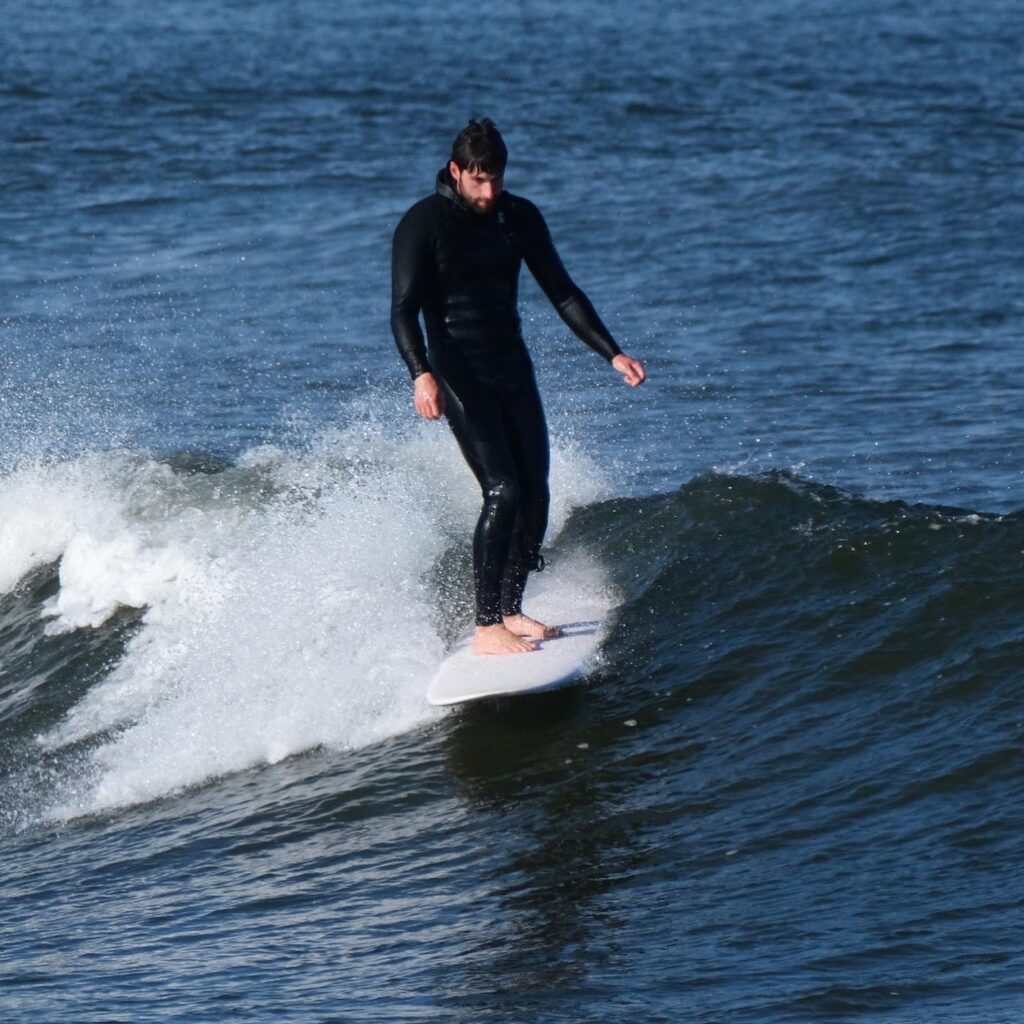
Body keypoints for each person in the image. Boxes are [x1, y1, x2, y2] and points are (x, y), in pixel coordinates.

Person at [391, 119, 646, 656]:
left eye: (497, 181)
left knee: (535, 495)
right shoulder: (424, 223)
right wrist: (421, 374)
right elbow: (403, 311)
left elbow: (564, 294)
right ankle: (486, 627)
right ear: (456, 171)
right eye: (479, 181)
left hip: (512, 366)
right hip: (457, 370)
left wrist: (612, 352)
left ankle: (510, 609)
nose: (488, 193)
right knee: (502, 489)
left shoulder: (518, 217)